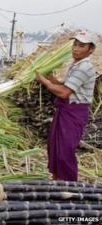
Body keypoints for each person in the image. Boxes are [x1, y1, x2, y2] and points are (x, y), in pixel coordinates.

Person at [36, 31, 98, 181]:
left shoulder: (84, 67)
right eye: (75, 44)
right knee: (55, 148)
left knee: (65, 152)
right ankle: (57, 180)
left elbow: (64, 93)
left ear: (90, 49)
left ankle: (69, 187)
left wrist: (42, 80)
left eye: (81, 45)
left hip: (74, 113)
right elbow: (66, 85)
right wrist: (50, 78)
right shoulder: (76, 64)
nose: (76, 48)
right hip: (65, 111)